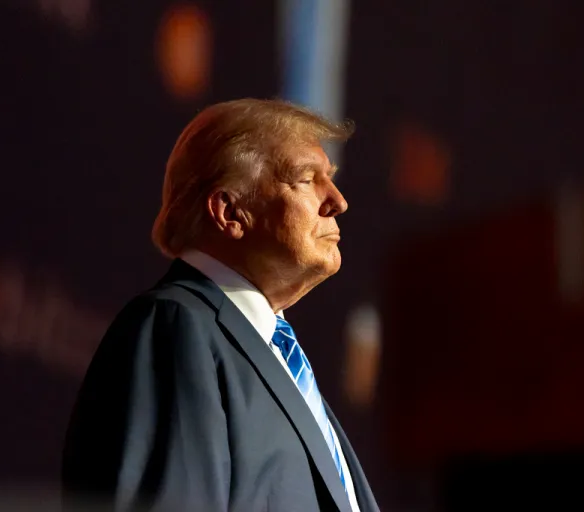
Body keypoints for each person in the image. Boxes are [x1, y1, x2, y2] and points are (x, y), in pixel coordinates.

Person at [61, 99, 378, 511]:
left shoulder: (272, 352)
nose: (337, 200)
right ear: (230, 211)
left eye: (330, 178)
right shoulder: (177, 327)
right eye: (306, 178)